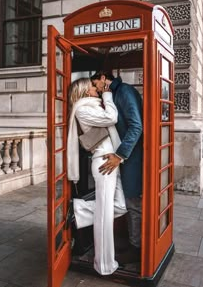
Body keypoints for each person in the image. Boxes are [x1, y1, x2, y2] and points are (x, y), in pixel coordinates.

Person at [67, 78, 127, 275]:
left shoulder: (91, 106)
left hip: (112, 160)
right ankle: (104, 265)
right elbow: (112, 117)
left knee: (119, 206)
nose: (96, 88)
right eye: (93, 86)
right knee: (104, 215)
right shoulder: (84, 109)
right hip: (103, 163)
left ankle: (79, 210)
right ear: (85, 91)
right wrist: (108, 94)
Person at [91, 71, 143, 264]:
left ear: (104, 78)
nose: (96, 89)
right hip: (123, 157)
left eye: (96, 84)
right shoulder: (113, 95)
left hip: (132, 158)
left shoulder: (125, 91)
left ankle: (136, 248)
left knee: (133, 204)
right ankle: (131, 241)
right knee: (128, 203)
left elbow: (137, 126)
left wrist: (119, 155)